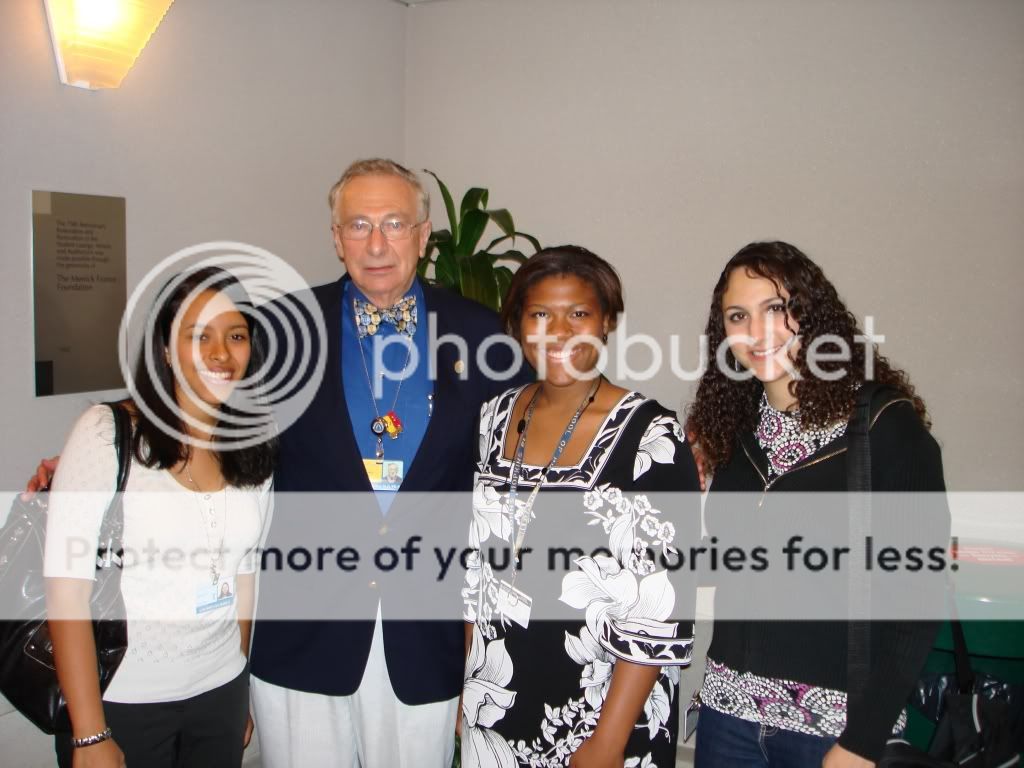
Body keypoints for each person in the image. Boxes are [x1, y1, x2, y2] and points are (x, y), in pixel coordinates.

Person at [246, 159, 531, 767]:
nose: (376, 244)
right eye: (358, 225)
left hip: (423, 636)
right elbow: (205, 404)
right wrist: (123, 430)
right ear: (336, 237)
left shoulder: (482, 335)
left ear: (424, 236)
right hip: (304, 630)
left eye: (395, 224)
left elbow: (534, 450)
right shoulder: (281, 328)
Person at [685, 241, 948, 767]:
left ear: (812, 315)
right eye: (739, 316)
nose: (757, 332)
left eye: (777, 309)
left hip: (832, 730)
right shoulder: (732, 429)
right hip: (726, 715)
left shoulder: (883, 428)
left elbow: (917, 596)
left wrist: (862, 741)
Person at [462, 246, 700, 767]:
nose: (559, 332)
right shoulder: (492, 419)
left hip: (600, 714)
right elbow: (473, 568)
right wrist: (469, 688)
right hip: (497, 699)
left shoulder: (650, 438)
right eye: (540, 314)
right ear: (518, 324)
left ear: (607, 323)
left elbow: (661, 609)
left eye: (579, 314)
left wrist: (608, 743)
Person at [43, 267, 275, 768]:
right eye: (199, 336)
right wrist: (88, 732)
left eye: (235, 336)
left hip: (220, 691)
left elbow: (244, 575)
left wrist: (237, 684)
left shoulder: (253, 449)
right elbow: (66, 590)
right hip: (124, 701)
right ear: (167, 350)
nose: (219, 353)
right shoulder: (108, 433)